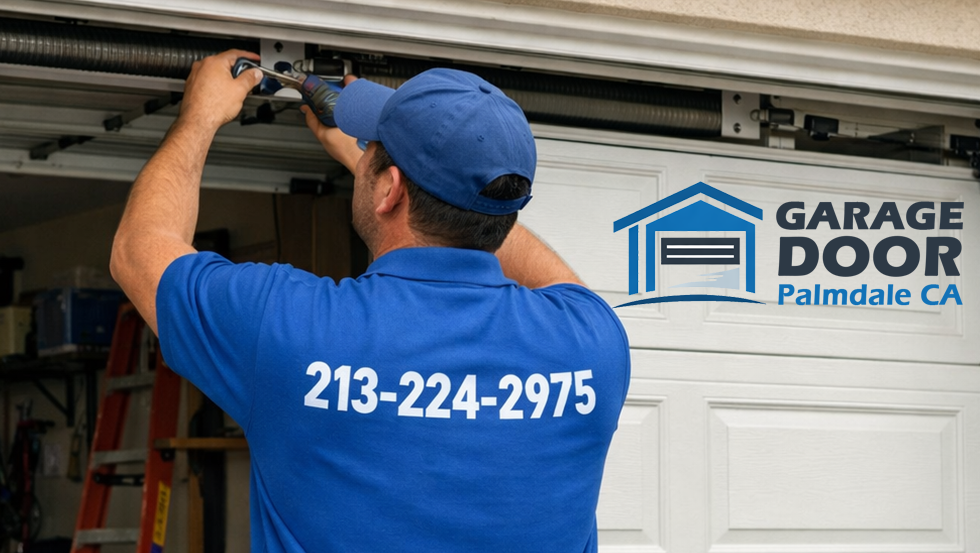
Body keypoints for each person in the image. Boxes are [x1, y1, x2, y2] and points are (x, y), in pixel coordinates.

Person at [110, 49, 630, 552]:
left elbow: (139, 252)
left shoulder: (287, 327)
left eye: (373, 152)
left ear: (389, 190)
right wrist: (386, 172)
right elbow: (541, 269)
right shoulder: (592, 347)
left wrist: (199, 117)